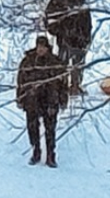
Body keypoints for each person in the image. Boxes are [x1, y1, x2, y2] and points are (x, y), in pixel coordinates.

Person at [15, 33, 70, 167]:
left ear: (47, 48)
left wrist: (63, 99)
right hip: (32, 100)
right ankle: (36, 151)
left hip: (50, 100)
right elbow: (21, 81)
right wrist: (20, 97)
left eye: (43, 47)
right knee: (32, 128)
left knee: (50, 129)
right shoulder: (28, 61)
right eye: (39, 46)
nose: (40, 49)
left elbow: (63, 84)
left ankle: (51, 155)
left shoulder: (55, 63)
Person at [44, 0, 93, 93]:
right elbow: (49, 16)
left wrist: (87, 36)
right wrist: (56, 29)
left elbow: (87, 18)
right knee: (63, 63)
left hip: (80, 36)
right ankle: (63, 86)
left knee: (78, 63)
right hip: (64, 36)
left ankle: (75, 85)